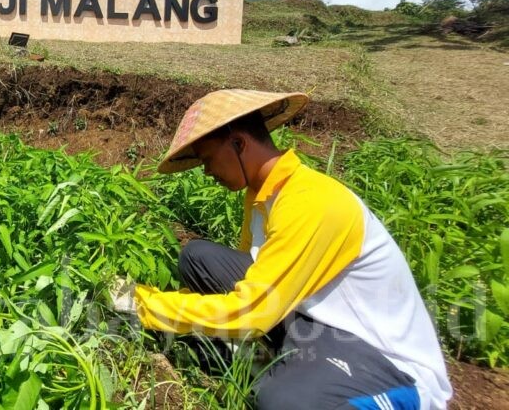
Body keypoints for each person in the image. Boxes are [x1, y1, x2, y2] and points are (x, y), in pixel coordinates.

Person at [112, 89, 452, 410]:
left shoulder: (311, 202)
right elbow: (255, 281)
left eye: (208, 160)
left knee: (281, 400)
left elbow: (250, 312)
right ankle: (271, 359)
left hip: (383, 359)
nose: (207, 172)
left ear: (238, 143)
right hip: (310, 318)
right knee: (198, 258)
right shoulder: (261, 197)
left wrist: (144, 304)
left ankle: (304, 378)